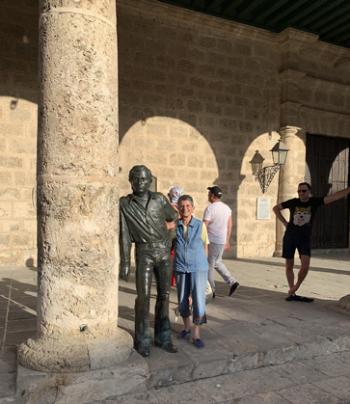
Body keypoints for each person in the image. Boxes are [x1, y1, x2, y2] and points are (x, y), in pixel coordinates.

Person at [119, 165, 178, 357]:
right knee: (143, 297)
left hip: (162, 251)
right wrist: (125, 262)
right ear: (130, 181)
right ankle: (142, 339)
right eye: (136, 179)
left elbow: (173, 216)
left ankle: (163, 337)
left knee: (164, 295)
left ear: (150, 180)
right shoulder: (124, 204)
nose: (140, 182)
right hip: (143, 252)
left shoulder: (159, 199)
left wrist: (169, 239)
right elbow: (124, 235)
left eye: (144, 179)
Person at [273, 182, 350, 302]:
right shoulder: (293, 202)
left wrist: (347, 190)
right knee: (289, 266)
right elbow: (276, 208)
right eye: (299, 191)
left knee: (305, 266)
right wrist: (284, 223)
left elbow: (333, 197)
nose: (301, 193)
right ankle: (292, 293)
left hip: (304, 238)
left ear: (309, 191)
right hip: (290, 237)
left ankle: (295, 287)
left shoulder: (314, 202)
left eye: (303, 191)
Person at [174, 195, 209, 348]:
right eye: (182, 206)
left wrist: (204, 267)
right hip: (181, 267)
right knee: (182, 300)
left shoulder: (201, 225)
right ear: (178, 208)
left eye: (188, 206)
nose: (185, 208)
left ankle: (196, 334)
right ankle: (186, 328)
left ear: (193, 208)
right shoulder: (175, 226)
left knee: (198, 301)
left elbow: (205, 247)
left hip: (198, 268)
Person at [203, 186, 239, 298]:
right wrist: (227, 240)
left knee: (209, 265)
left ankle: (211, 290)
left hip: (212, 240)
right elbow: (230, 225)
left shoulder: (210, 208)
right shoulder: (226, 208)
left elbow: (204, 226)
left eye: (209, 194)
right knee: (217, 262)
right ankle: (232, 282)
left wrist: (200, 240)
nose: (208, 195)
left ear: (213, 196)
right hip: (221, 241)